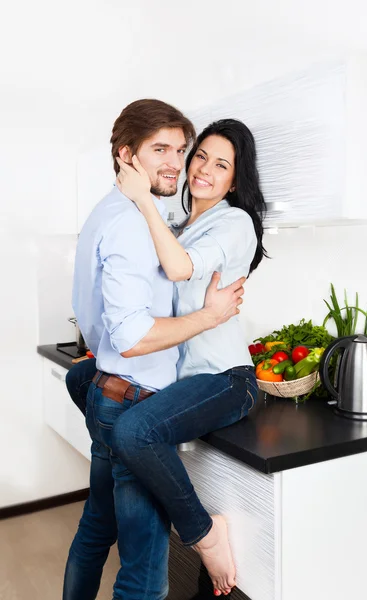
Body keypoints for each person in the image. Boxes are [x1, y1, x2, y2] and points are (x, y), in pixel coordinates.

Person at [63, 99, 245, 600]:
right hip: (134, 396)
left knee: (96, 531)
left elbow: (102, 319)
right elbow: (135, 337)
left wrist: (102, 364)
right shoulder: (135, 221)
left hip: (112, 392)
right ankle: (206, 535)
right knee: (143, 576)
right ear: (127, 156)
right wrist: (209, 316)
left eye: (180, 149)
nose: (179, 162)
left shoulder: (116, 211)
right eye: (160, 148)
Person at [110, 117, 267, 597]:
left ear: (234, 181)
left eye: (221, 164)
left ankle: (204, 535)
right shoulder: (180, 223)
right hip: (184, 380)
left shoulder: (235, 222)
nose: (203, 169)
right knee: (90, 390)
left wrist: (141, 196)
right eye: (200, 156)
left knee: (134, 431)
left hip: (226, 378)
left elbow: (178, 269)